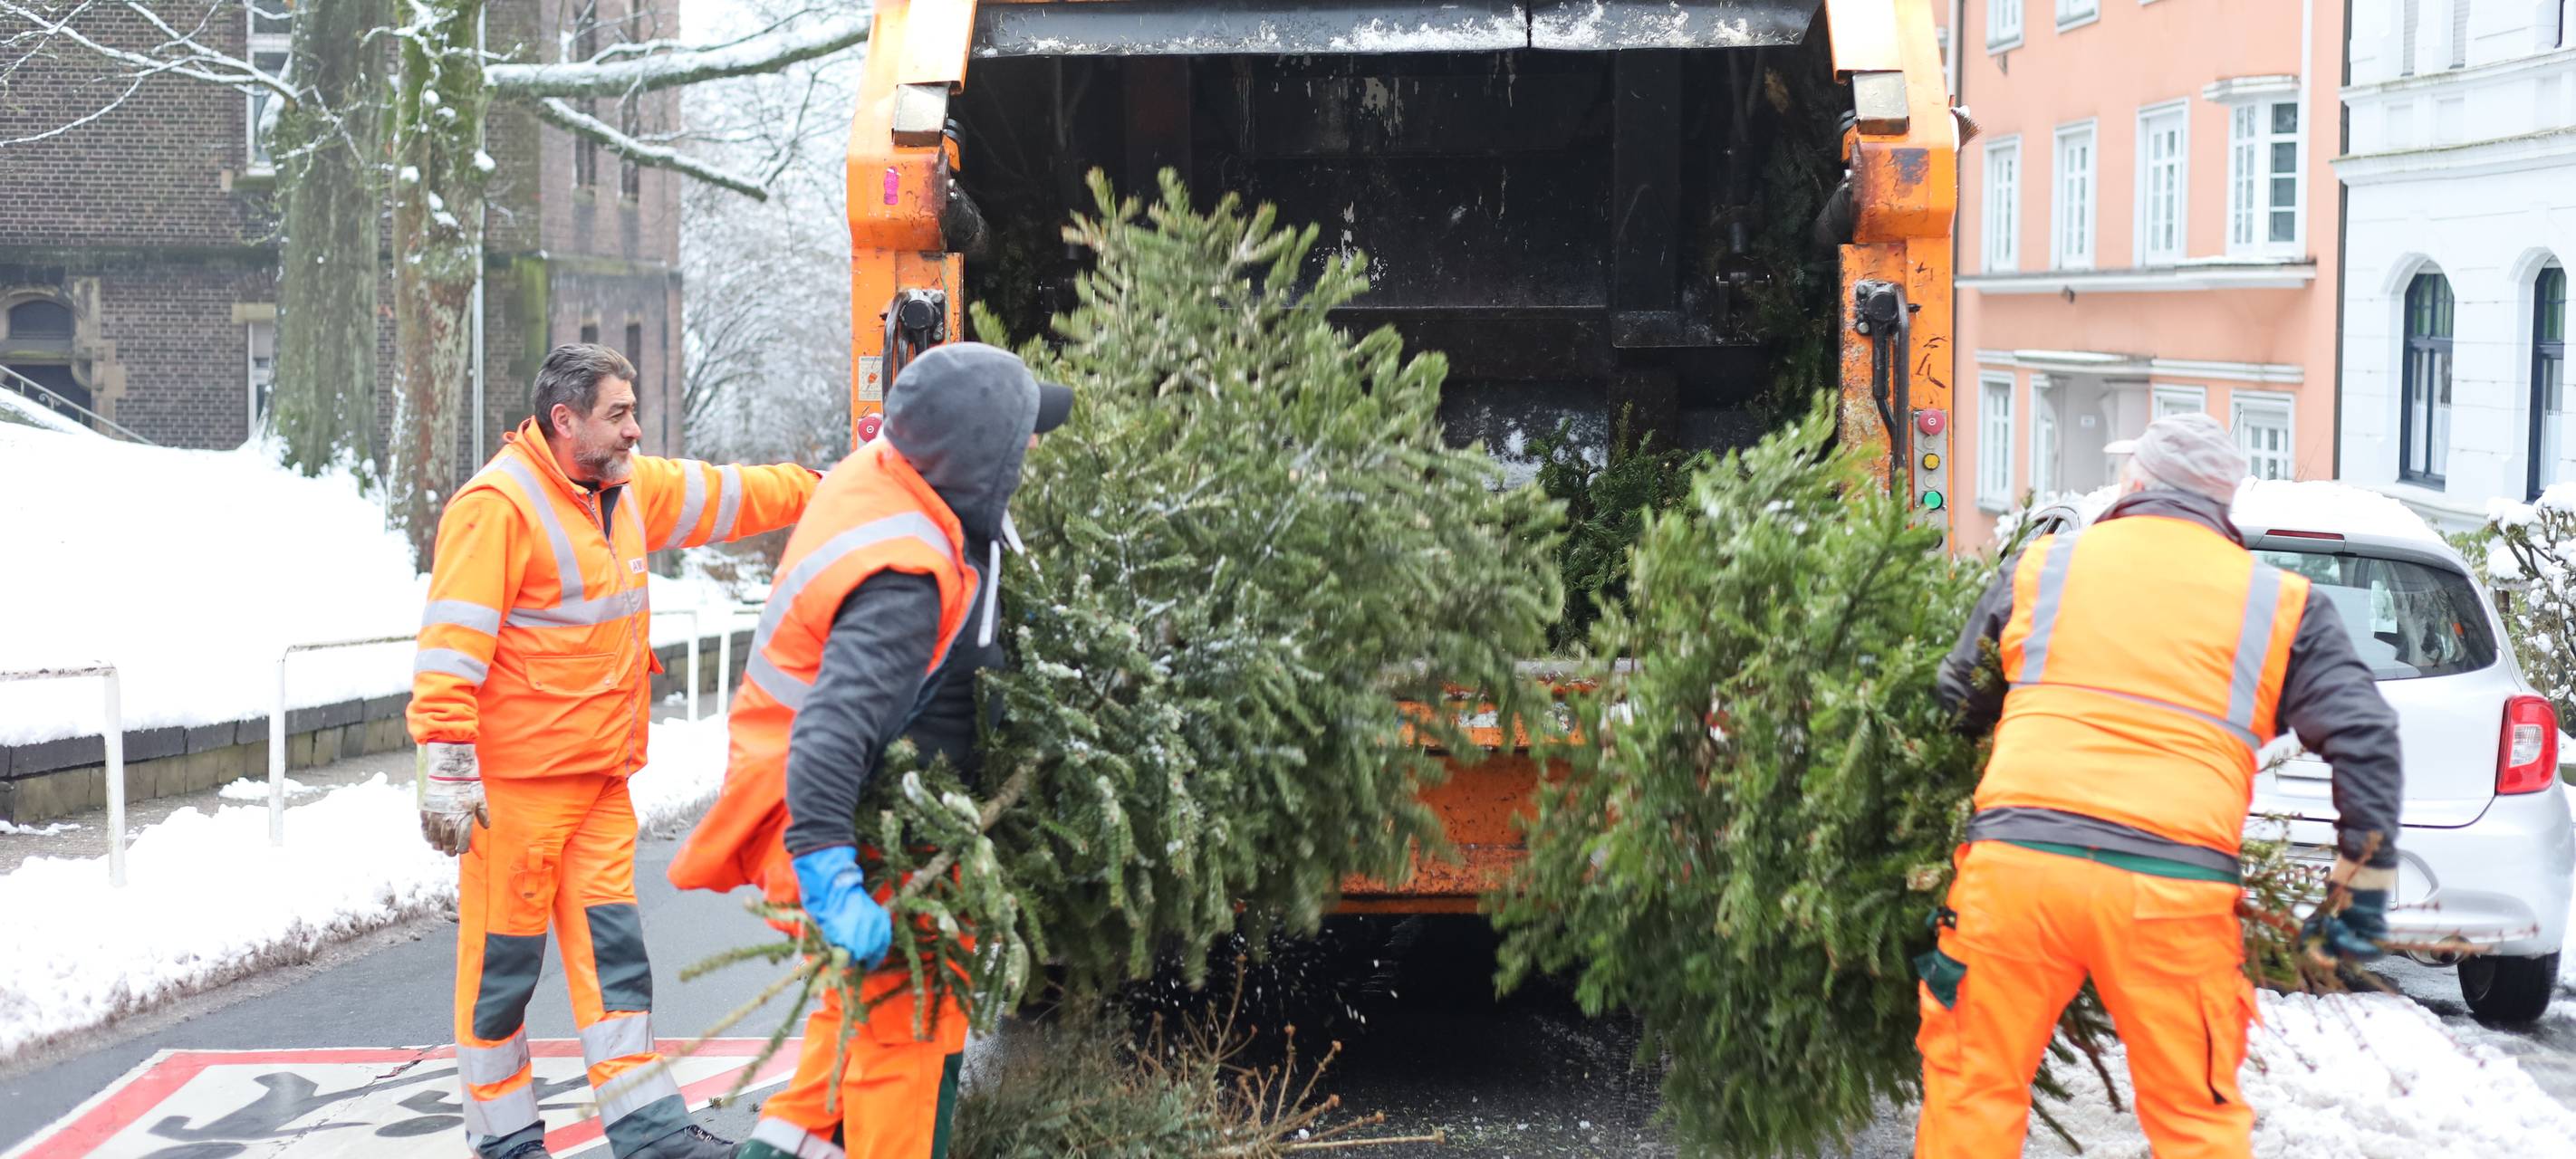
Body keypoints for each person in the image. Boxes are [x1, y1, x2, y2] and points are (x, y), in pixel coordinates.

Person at [1914, 413, 2404, 1159]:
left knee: (1973, 1095)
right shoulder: (2283, 605)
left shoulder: (2044, 565)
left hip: (2017, 876)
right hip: (2171, 892)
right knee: (2196, 1123)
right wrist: (2361, 878)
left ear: (2134, 483)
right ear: (2224, 504)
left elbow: (1959, 699)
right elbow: (2365, 733)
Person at [408, 343, 823, 1159]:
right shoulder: (497, 506)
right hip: (517, 795)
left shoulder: (627, 490)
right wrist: (449, 774)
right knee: (502, 975)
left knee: (617, 968)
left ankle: (651, 1134)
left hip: (600, 782)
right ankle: (506, 1141)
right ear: (566, 421)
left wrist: (830, 486)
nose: (637, 429)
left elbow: (729, 492)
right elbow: (451, 650)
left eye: (633, 411)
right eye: (619, 414)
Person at [668, 341, 1072, 1159]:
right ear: (975, 453)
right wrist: (830, 871)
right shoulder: (904, 575)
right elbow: (830, 731)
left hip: (877, 804)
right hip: (848, 822)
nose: (1031, 451)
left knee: (847, 1031)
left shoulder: (895, 479)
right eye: (1019, 436)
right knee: (903, 1033)